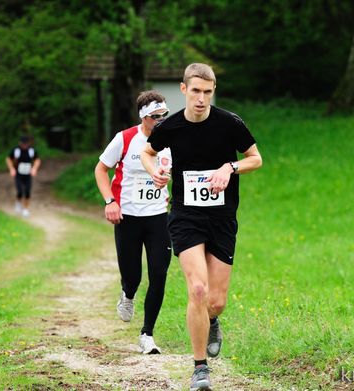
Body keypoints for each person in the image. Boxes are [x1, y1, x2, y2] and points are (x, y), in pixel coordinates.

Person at [141, 63, 262, 390]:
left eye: (207, 92)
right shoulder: (171, 126)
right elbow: (147, 152)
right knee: (197, 288)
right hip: (185, 216)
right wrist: (154, 171)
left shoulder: (229, 123)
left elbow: (256, 158)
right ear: (183, 89)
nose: (201, 99)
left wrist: (230, 167)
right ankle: (199, 369)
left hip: (222, 219)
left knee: (216, 300)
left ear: (213, 92)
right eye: (195, 91)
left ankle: (212, 320)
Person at [94, 90, 172, 355]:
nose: (161, 121)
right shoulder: (126, 138)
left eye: (165, 115)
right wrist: (109, 201)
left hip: (159, 216)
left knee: (159, 274)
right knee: (132, 276)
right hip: (127, 217)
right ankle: (127, 294)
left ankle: (147, 334)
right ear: (143, 118)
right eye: (155, 117)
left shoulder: (173, 137)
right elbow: (100, 169)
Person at [6, 135, 41, 217]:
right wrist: (11, 169)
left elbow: (37, 160)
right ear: (20, 143)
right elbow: (8, 159)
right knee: (20, 191)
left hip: (28, 174)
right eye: (23, 143)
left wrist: (34, 169)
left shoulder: (31, 151)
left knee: (28, 191)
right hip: (18, 174)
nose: (25, 145)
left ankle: (26, 209)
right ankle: (18, 202)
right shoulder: (16, 151)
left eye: (26, 143)